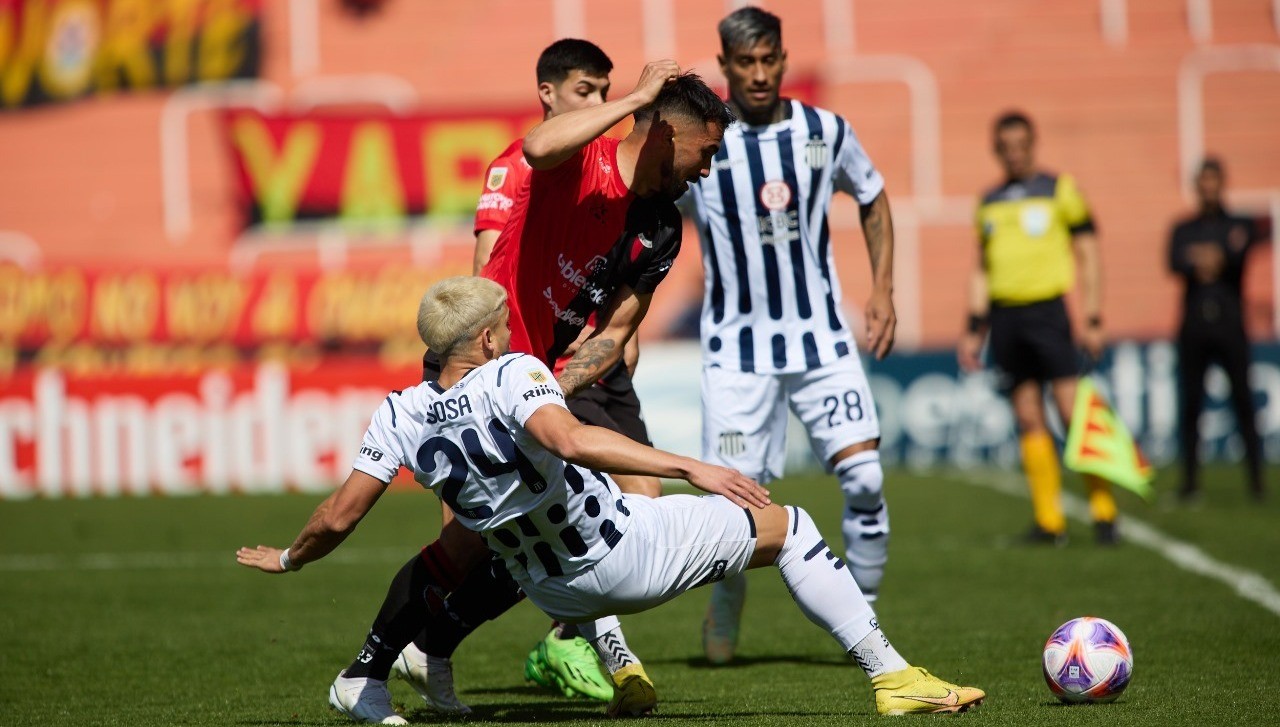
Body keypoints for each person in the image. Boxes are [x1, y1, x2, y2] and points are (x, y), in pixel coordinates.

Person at [237, 276, 987, 722]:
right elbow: (568, 439)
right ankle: (893, 677)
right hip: (625, 554)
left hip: (551, 588)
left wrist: (292, 557)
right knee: (791, 526)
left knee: (470, 540)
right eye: (503, 324)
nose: (509, 331)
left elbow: (339, 515)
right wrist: (691, 466)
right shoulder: (512, 372)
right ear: (487, 339)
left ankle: (584, 663)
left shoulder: (398, 412)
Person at [316, 61, 735, 722]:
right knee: (473, 541)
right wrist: (636, 98)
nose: (707, 170)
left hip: (543, 376)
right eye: (705, 153)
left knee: (558, 527)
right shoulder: (576, 159)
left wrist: (548, 393)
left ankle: (443, 651)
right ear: (666, 133)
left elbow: (615, 332)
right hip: (484, 360)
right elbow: (536, 149)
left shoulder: (661, 226)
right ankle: (372, 668)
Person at [681, 6, 899, 665]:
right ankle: (726, 601)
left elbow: (872, 194)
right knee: (734, 505)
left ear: (782, 59)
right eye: (744, 62)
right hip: (737, 352)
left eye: (768, 59)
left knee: (865, 478)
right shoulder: (704, 141)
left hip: (820, 339)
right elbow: (651, 207)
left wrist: (882, 288)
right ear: (724, 66)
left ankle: (864, 615)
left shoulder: (824, 131)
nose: (758, 73)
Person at [958, 111, 1119, 546]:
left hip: (1049, 313)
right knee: (1028, 415)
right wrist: (974, 327)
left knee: (1071, 413)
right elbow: (981, 268)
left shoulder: (1059, 189)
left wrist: (1093, 316)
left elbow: (1088, 252)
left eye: (1021, 145)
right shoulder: (988, 201)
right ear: (997, 150)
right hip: (1005, 318)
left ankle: (1104, 512)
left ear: (1033, 144)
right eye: (1005, 147)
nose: (1014, 154)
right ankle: (1050, 522)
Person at [1168, 157, 1267, 502]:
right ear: (1197, 186)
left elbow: (1238, 255)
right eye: (1203, 181)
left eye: (1213, 180)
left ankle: (1257, 482)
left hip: (1230, 324)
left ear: (1222, 183)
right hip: (1194, 325)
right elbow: (1174, 261)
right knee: (1191, 404)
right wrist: (1215, 255)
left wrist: (1209, 256)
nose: (1208, 187)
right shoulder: (1183, 228)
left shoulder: (1239, 223)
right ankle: (1189, 483)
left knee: (1243, 401)